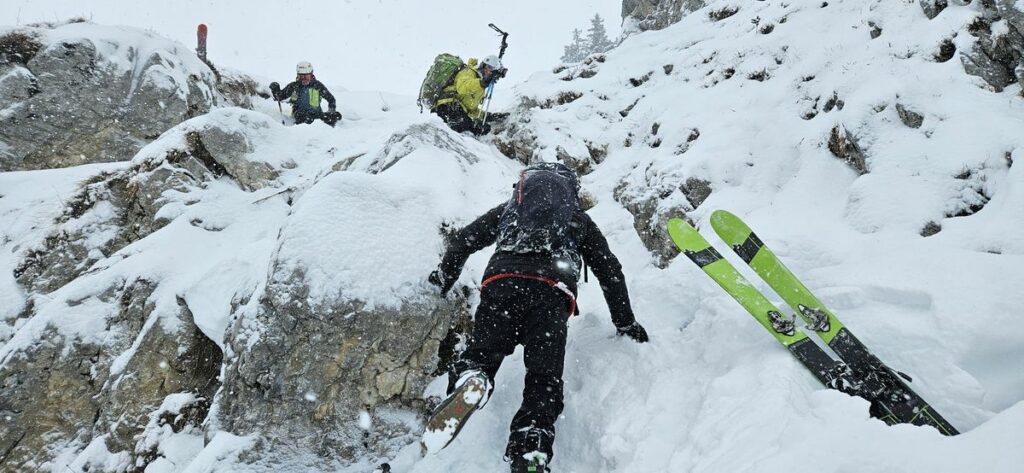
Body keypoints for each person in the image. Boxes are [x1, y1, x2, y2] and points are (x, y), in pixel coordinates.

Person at [427, 162, 649, 473]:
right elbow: (609, 271)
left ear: (522, 189)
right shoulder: (578, 220)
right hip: (550, 294)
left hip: (501, 284)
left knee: (483, 353)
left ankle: (473, 376)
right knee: (543, 381)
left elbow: (465, 239)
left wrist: (443, 277)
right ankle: (531, 445)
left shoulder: (507, 212)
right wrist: (625, 322)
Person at [431, 55, 507, 135]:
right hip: (446, 106)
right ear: (483, 65)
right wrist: (481, 83)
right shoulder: (468, 72)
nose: (489, 71)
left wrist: (488, 116)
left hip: (457, 110)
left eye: (492, 69)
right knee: (467, 127)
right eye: (489, 67)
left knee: (475, 129)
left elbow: (470, 110)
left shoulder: (480, 85)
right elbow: (462, 87)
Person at [269, 61, 340, 126]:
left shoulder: (317, 86)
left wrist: (331, 110)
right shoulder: (294, 86)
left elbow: (331, 99)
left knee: (336, 116)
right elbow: (280, 96)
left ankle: (325, 127)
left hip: (317, 114)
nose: (304, 79)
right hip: (300, 114)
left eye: (307, 76)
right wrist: (275, 89)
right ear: (298, 75)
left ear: (311, 75)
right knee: (307, 118)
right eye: (301, 77)